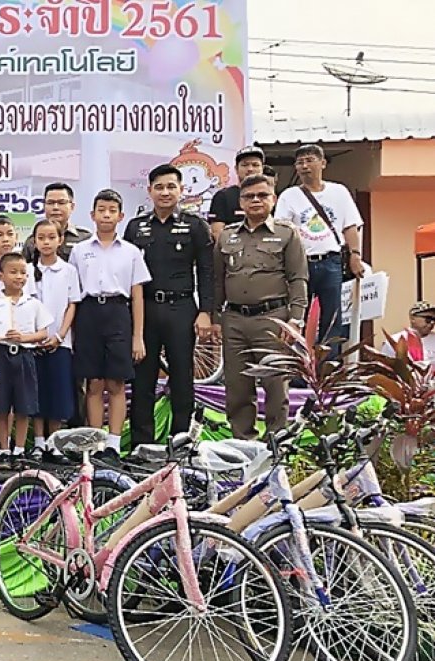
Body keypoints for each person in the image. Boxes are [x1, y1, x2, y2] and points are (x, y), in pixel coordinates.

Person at [124, 164, 214, 447]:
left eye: (171, 186)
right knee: (143, 377)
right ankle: (142, 443)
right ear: (149, 191)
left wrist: (206, 312)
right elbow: (125, 272)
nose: (165, 192)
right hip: (145, 310)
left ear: (181, 190)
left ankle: (180, 440)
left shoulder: (196, 226)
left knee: (181, 375)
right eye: (159, 187)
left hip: (181, 309)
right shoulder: (136, 227)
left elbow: (207, 271)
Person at [213, 174, 308, 440]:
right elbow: (217, 282)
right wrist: (215, 318)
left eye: (262, 195)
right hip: (234, 320)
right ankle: (244, 442)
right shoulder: (227, 237)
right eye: (248, 196)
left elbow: (298, 278)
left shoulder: (286, 234)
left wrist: (296, 320)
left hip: (273, 319)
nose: (255, 201)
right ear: (240, 202)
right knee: (237, 386)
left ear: (273, 199)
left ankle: (277, 443)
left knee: (276, 384)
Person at [69, 190, 151, 464]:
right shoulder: (80, 251)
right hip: (88, 313)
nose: (106, 214)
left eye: (112, 210)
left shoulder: (131, 252)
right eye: (101, 209)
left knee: (116, 383)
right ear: (92, 215)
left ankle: (114, 444)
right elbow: (72, 293)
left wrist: (137, 336)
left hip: (118, 313)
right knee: (93, 383)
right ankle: (95, 442)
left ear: (121, 216)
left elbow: (137, 295)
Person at [275, 143, 365, 350]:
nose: (304, 166)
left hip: (331, 261)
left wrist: (355, 255)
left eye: (310, 160)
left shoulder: (338, 192)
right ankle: (298, 368)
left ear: (323, 163)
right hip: (300, 264)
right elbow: (281, 230)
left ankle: (328, 365)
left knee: (332, 315)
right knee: (299, 315)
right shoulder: (289, 195)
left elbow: (350, 226)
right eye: (300, 162)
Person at [0, 252, 52, 470]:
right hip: (1, 356)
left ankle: (20, 450)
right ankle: (4, 450)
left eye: (23, 272)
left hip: (25, 356)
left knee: (24, 406)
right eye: (13, 272)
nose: (18, 277)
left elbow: (43, 333)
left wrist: (24, 338)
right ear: (0, 276)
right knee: (1, 407)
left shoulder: (33, 303)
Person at [0, 215, 37, 464]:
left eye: (9, 234)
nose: (4, 239)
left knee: (19, 402)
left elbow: (38, 320)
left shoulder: (27, 269)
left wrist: (26, 335)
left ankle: (15, 448)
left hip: (21, 347)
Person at [29, 220, 81, 465]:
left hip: (61, 342)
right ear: (34, 241)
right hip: (34, 343)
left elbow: (72, 305)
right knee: (37, 393)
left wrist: (60, 335)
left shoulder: (69, 270)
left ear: (60, 240)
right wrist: (35, 336)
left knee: (58, 392)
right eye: (41, 238)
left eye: (51, 237)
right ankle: (39, 442)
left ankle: (55, 443)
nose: (46, 242)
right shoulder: (28, 270)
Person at [207, 145, 265, 240]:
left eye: (255, 165)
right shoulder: (223, 196)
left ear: (262, 169)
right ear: (236, 169)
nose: (250, 169)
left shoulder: (269, 196)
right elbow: (217, 232)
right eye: (245, 165)